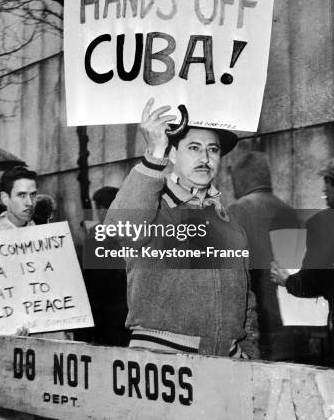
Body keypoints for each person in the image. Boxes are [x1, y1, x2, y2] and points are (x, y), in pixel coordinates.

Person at [104, 98, 250, 357]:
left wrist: (248, 355)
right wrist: (153, 157)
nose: (205, 158)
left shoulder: (229, 223)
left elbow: (246, 302)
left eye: (213, 150)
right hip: (163, 365)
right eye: (194, 148)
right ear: (172, 154)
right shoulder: (155, 210)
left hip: (227, 364)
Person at [0, 166, 63, 420]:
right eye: (21, 195)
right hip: (9, 356)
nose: (29, 202)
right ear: (4, 198)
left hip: (50, 354)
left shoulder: (49, 241)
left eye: (33, 194)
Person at [229, 151, 312, 361]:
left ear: (240, 179)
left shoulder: (237, 211)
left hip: (261, 331)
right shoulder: (287, 210)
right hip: (293, 331)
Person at [271, 158, 334, 365]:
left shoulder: (323, 223)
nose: (324, 188)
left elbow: (310, 282)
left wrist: (286, 280)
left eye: (327, 181)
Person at [76, 186, 129, 347]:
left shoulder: (99, 240)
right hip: (127, 320)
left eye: (98, 208)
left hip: (106, 323)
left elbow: (93, 288)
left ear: (103, 209)